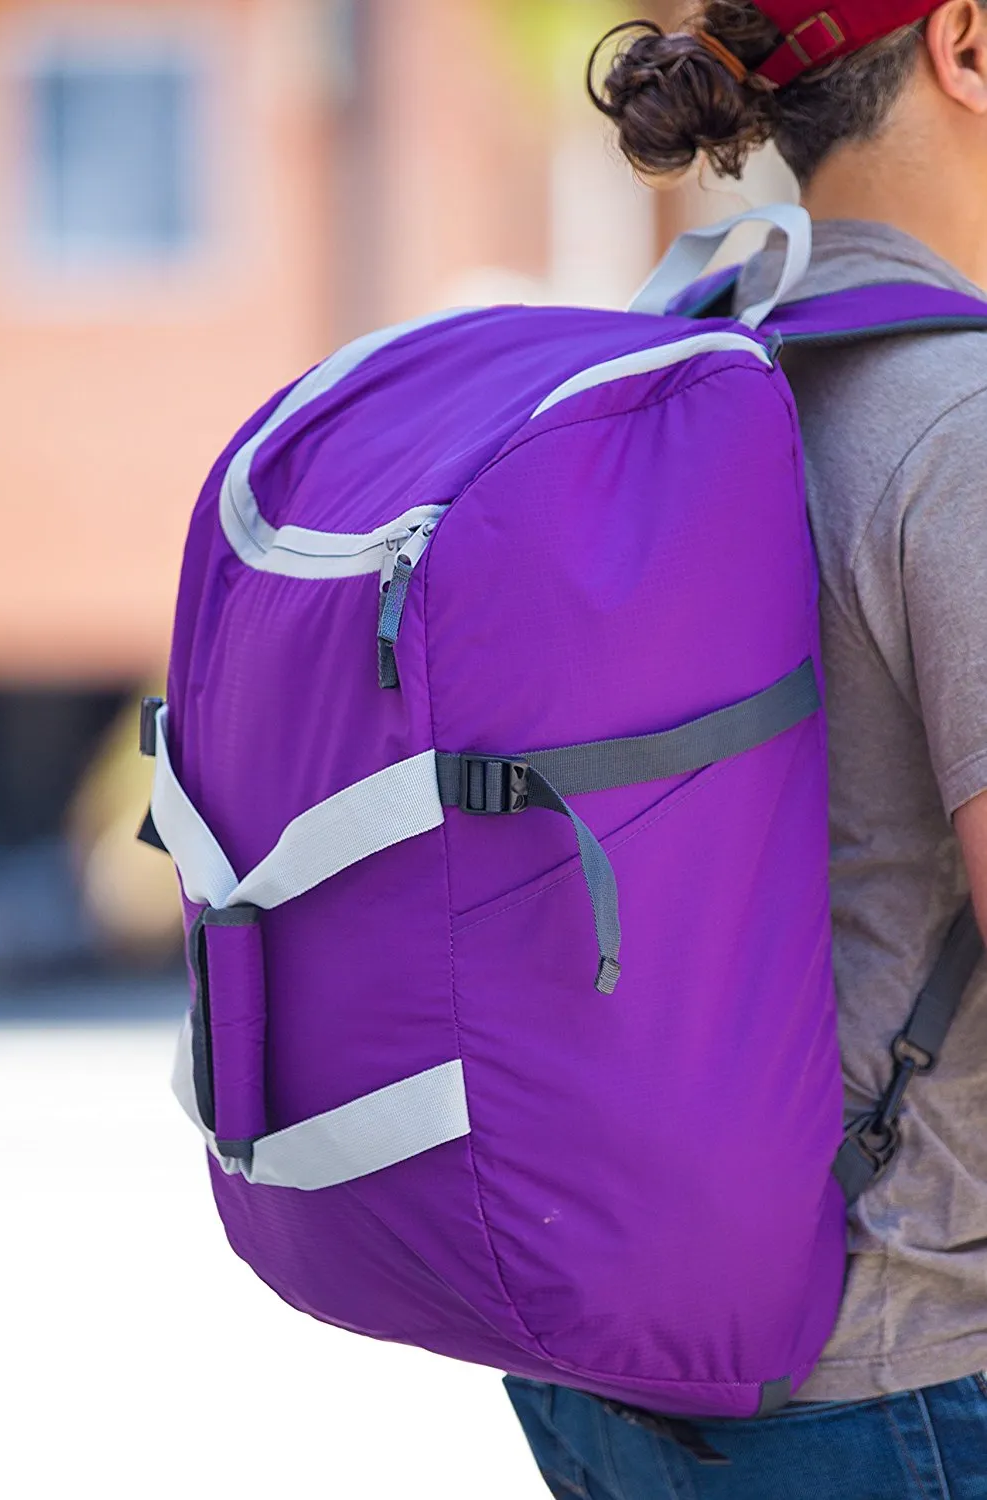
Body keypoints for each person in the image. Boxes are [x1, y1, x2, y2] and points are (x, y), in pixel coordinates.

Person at [504, 3, 987, 1496]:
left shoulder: (692, 367)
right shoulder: (958, 424)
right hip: (899, 1382)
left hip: (618, 1373)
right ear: (968, 47)